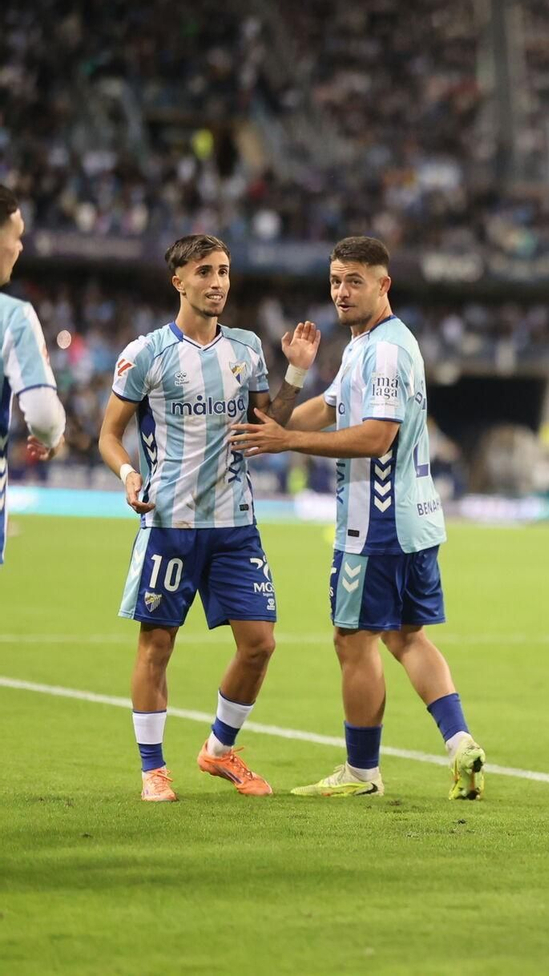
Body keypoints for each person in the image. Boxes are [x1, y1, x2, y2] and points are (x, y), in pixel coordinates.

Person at [230, 236, 486, 800]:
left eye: (355, 281)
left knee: (354, 641)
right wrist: (287, 392)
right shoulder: (366, 346)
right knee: (406, 637)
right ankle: (459, 743)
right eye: (336, 281)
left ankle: (362, 773)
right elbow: (319, 409)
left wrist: (287, 440)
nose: (342, 293)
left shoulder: (386, 351)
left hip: (378, 524)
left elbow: (376, 436)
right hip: (414, 520)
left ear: (383, 284)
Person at [98, 233, 317, 801]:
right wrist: (128, 476)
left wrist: (294, 375)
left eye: (223, 271)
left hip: (235, 522)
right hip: (170, 520)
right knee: (157, 645)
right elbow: (108, 435)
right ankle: (153, 769)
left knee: (260, 643)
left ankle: (218, 752)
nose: (217, 282)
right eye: (204, 272)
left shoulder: (245, 349)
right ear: (180, 281)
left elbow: (268, 425)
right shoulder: (146, 353)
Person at [0, 183, 67, 564]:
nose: (20, 247)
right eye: (16, 236)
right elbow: (42, 416)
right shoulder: (12, 317)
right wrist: (54, 437)